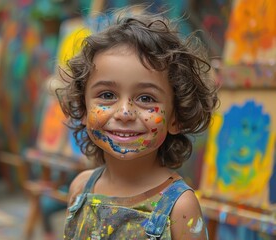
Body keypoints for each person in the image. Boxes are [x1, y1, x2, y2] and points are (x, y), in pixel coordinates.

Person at [56, 7, 219, 240]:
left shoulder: (179, 207)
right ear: (83, 109)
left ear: (175, 118)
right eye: (107, 95)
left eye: (146, 98)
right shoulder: (81, 189)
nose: (124, 112)